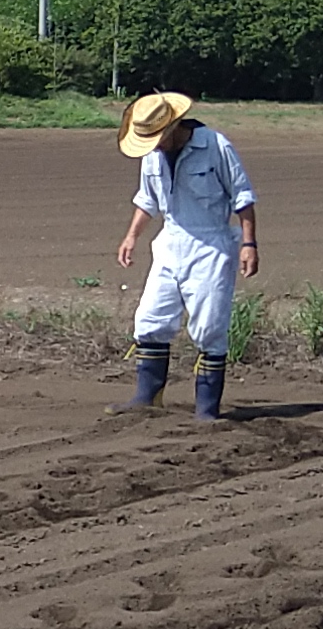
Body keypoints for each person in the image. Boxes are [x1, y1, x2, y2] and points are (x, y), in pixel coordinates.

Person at [110, 90, 260, 419]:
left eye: (158, 136)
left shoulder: (215, 146)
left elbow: (243, 196)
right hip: (169, 243)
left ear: (174, 126)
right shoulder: (151, 154)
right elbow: (147, 199)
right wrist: (131, 236)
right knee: (149, 319)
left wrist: (249, 244)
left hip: (211, 245)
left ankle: (207, 410)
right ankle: (147, 397)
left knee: (208, 328)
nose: (154, 144)